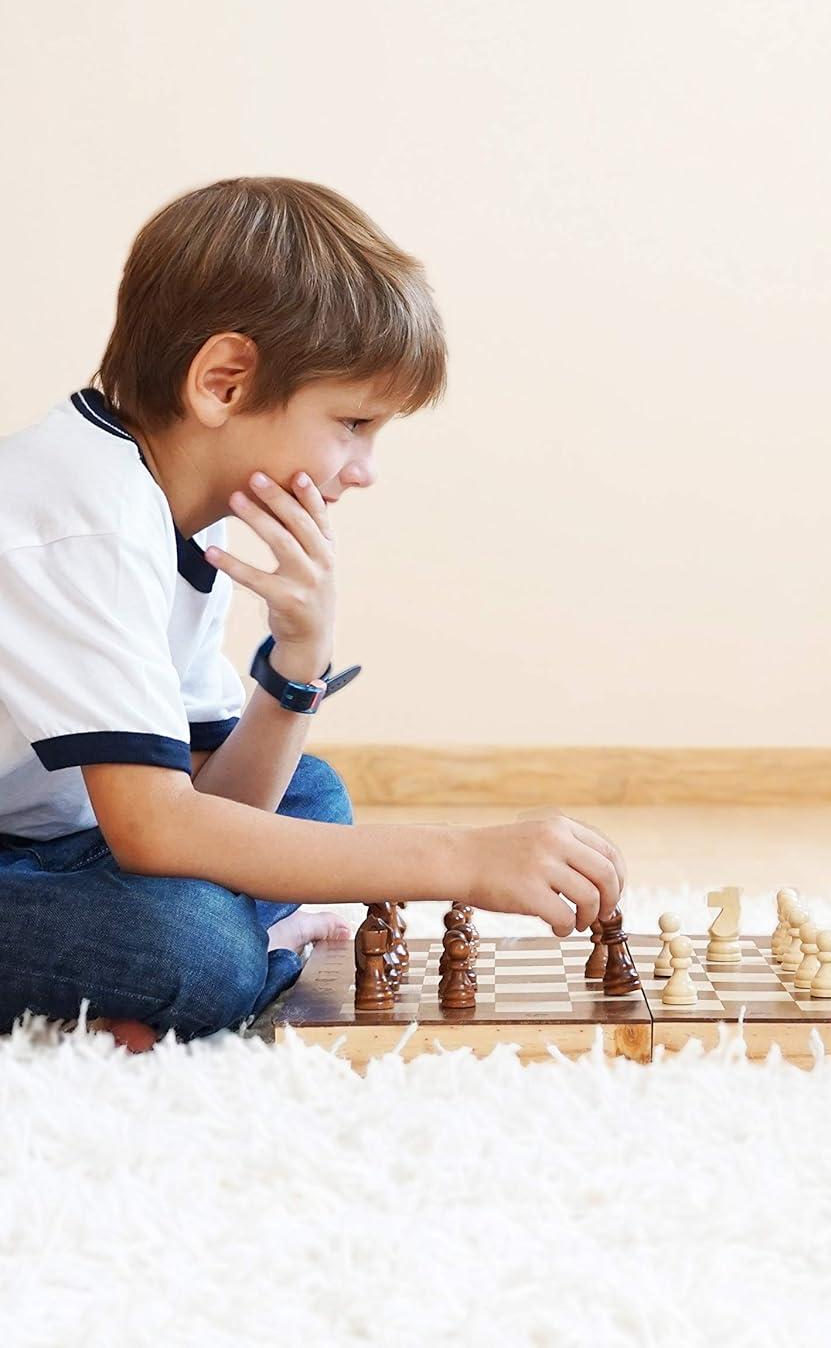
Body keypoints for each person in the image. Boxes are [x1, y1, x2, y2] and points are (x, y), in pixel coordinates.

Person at [0, 178, 625, 1050]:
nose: (364, 469)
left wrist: (299, 659)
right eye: (353, 422)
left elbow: (219, 793)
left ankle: (209, 960)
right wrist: (461, 860)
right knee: (190, 945)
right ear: (223, 382)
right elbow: (154, 828)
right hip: (44, 846)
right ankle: (230, 960)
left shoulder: (184, 509)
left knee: (309, 793)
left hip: (56, 834)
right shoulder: (84, 520)